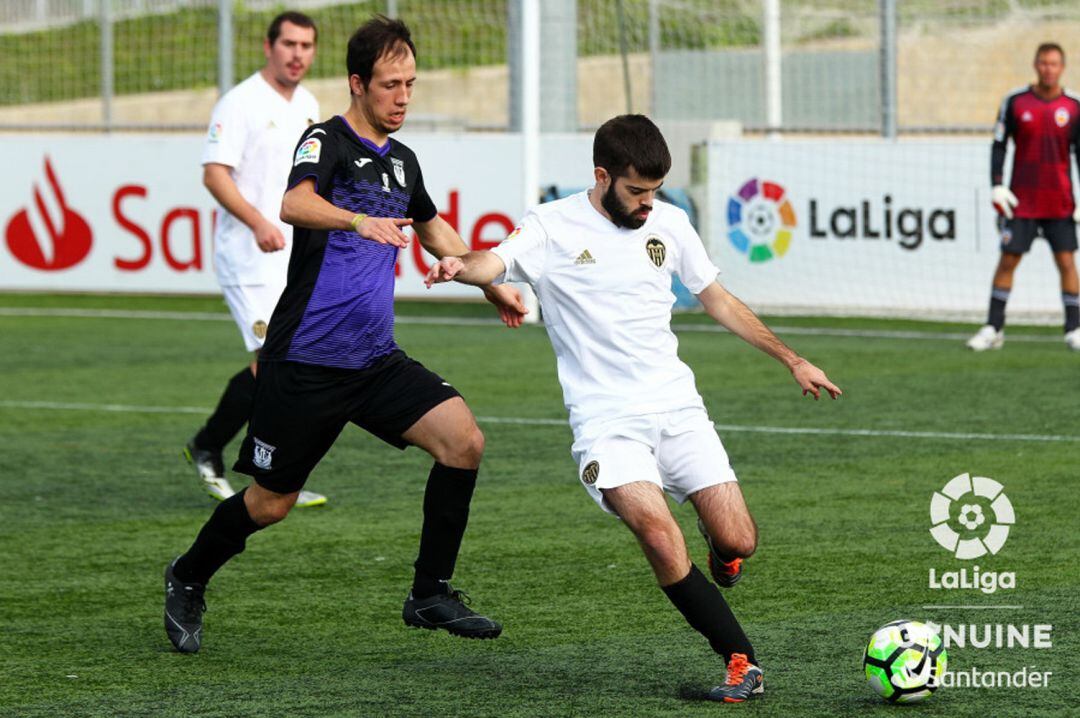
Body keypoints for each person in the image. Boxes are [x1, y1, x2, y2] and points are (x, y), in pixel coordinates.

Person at [425, 115, 841, 703]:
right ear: (602, 176)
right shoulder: (552, 226)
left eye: (656, 191)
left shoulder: (669, 222)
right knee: (656, 530)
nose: (649, 204)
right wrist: (459, 266)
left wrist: (792, 359)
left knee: (738, 539)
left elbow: (716, 298)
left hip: (677, 409)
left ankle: (722, 552)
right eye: (637, 192)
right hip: (606, 423)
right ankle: (740, 661)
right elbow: (493, 260)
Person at [163, 15, 528, 654]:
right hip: (306, 360)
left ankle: (430, 593)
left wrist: (491, 284)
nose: (404, 96)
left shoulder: (405, 161)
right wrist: (358, 221)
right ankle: (188, 575)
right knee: (271, 504)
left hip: (374, 360)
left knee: (463, 442)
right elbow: (293, 204)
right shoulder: (324, 140)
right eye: (391, 84)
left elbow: (433, 228)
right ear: (358, 83)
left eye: (411, 83)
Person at [186, 10, 328, 507]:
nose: (297, 54)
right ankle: (208, 447)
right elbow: (215, 174)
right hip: (248, 255)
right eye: (289, 44)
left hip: (289, 257)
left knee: (294, 362)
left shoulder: (308, 104)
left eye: (307, 46)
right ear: (269, 47)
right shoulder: (241, 102)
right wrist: (259, 221)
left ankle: (275, 475)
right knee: (273, 361)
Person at [968, 42, 1080, 351]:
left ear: (1062, 67)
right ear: (1035, 64)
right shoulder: (1016, 102)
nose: (1048, 68)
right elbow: (1000, 144)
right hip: (1022, 201)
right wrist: (997, 184)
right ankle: (994, 327)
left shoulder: (1074, 107)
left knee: (1067, 262)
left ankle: (1074, 328)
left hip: (1059, 201)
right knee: (1008, 260)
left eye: (1054, 64)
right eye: (1043, 63)